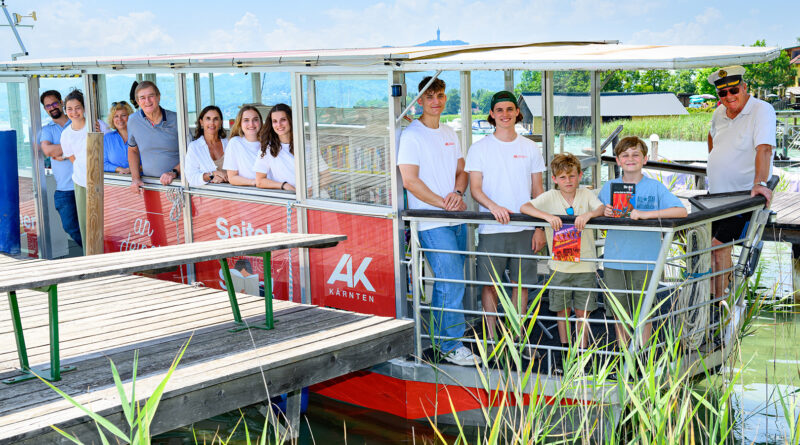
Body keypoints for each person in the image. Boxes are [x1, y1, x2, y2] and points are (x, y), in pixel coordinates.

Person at [397, 76, 475, 366]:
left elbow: (462, 171)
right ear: (419, 101)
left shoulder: (449, 132)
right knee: (450, 280)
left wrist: (456, 193)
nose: (435, 100)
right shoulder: (411, 135)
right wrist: (444, 203)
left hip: (455, 217)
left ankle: (447, 338)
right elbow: (410, 181)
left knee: (453, 281)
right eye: (429, 96)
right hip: (431, 220)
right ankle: (449, 345)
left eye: (440, 95)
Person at [465, 90, 546, 346]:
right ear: (491, 114)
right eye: (499, 110)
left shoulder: (530, 147)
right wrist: (494, 207)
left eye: (509, 109)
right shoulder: (479, 148)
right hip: (492, 228)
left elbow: (538, 192)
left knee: (520, 285)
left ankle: (516, 335)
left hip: (523, 227)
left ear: (517, 113)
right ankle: (490, 336)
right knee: (489, 286)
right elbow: (475, 188)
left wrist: (539, 227)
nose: (505, 114)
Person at [599, 136, 687, 346]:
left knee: (644, 311)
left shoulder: (654, 187)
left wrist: (644, 215)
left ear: (645, 159)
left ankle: (641, 354)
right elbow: (599, 221)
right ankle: (623, 355)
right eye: (625, 155)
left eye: (635, 154)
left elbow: (681, 211)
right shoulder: (609, 186)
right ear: (618, 161)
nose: (630, 159)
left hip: (646, 261)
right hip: (615, 260)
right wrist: (605, 213)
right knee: (619, 312)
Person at [520, 153, 605, 356]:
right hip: (560, 266)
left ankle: (582, 351)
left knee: (582, 312)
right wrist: (547, 217)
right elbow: (525, 207)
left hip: (585, 266)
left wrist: (588, 215)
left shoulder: (586, 195)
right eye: (563, 177)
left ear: (580, 175)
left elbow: (601, 208)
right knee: (562, 310)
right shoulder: (550, 197)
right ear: (555, 179)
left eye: (572, 176)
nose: (568, 181)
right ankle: (566, 350)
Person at [706, 65, 776, 299]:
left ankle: (720, 304)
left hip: (741, 198)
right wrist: (715, 162)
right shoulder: (718, 113)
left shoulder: (761, 110)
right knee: (707, 248)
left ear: (745, 87)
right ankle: (710, 301)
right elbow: (711, 137)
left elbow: (764, 148)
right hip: (715, 197)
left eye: (734, 90)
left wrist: (760, 182)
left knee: (718, 246)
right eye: (722, 94)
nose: (729, 97)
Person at [39, 90, 83, 249]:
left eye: (55, 103)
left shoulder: (76, 121)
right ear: (45, 109)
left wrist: (63, 153)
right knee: (70, 227)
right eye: (48, 105)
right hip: (64, 190)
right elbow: (48, 151)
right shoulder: (47, 130)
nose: (52, 107)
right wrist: (72, 148)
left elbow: (87, 143)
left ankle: (95, 256)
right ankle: (92, 254)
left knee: (93, 224)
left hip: (84, 185)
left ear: (61, 103)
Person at [127, 80, 180, 193]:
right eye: (142, 98)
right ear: (137, 101)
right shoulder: (133, 120)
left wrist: (174, 172)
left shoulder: (176, 119)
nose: (147, 101)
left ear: (158, 97)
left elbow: (190, 153)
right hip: (150, 186)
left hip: (178, 184)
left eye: (151, 96)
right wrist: (135, 178)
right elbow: (133, 150)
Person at [59, 90, 90, 251]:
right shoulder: (66, 134)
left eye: (77, 108)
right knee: (85, 224)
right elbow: (74, 160)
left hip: (103, 181)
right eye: (69, 109)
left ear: (84, 108)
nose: (74, 112)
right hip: (81, 182)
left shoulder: (96, 125)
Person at [254, 104, 296, 191]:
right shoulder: (268, 149)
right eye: (275, 121)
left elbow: (325, 174)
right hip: (288, 198)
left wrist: (310, 192)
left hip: (312, 198)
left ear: (291, 120)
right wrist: (284, 185)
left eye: (283, 120)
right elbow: (260, 181)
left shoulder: (306, 145)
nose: (279, 125)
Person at [185, 105, 228, 187]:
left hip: (232, 193)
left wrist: (226, 176)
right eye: (208, 119)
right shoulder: (194, 147)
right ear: (201, 122)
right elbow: (191, 178)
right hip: (206, 196)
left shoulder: (228, 143)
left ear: (221, 122)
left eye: (215, 119)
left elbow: (239, 170)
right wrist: (211, 175)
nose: (212, 123)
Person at [223, 105, 263, 187]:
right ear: (240, 123)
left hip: (273, 191)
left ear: (260, 122)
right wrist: (256, 182)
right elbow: (232, 178)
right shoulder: (235, 143)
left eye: (255, 119)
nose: (251, 124)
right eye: (246, 120)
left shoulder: (268, 142)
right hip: (250, 192)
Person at [103, 101, 134, 174]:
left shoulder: (139, 135)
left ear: (130, 117)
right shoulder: (107, 138)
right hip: (117, 181)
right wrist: (119, 169)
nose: (119, 119)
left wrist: (136, 169)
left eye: (123, 115)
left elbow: (150, 161)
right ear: (112, 119)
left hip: (142, 179)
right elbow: (102, 164)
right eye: (116, 116)